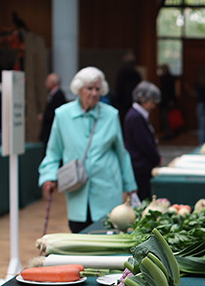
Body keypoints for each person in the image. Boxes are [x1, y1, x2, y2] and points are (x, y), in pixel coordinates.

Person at [38, 66, 137, 233]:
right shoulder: (62, 115)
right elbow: (53, 151)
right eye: (89, 88)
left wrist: (130, 185)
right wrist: (48, 176)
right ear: (79, 89)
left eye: (98, 89)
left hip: (107, 188)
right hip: (78, 191)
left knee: (107, 237)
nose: (94, 93)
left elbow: (121, 152)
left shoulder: (111, 115)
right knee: (79, 233)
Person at [124, 81, 162, 201]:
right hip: (140, 167)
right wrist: (156, 158)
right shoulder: (136, 117)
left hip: (140, 165)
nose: (153, 106)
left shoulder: (136, 115)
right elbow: (144, 144)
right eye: (152, 102)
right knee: (143, 199)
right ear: (144, 99)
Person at [115, 51, 143, 125]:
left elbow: (118, 88)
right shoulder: (135, 73)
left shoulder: (122, 73)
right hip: (131, 102)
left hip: (125, 102)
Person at [39, 73, 66, 147]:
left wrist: (45, 116)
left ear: (53, 82)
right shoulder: (53, 94)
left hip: (52, 128)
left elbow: (55, 112)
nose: (46, 83)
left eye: (48, 81)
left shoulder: (58, 95)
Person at [157, 64, 177, 140]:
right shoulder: (163, 78)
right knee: (165, 117)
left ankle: (170, 133)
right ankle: (168, 133)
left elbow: (171, 90)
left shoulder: (169, 78)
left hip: (167, 101)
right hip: (164, 101)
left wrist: (171, 100)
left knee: (168, 117)